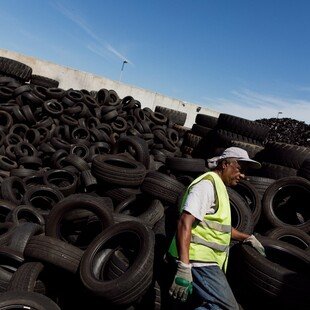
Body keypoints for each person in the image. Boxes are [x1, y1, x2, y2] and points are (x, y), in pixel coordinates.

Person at [168, 147, 266, 310]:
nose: (243, 175)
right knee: (227, 307)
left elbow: (219, 227)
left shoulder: (220, 187)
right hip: (198, 258)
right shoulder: (206, 185)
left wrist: (246, 237)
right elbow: (185, 221)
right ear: (225, 164)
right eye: (240, 169)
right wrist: (184, 267)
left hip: (206, 259)